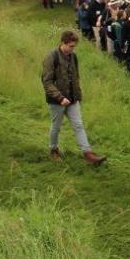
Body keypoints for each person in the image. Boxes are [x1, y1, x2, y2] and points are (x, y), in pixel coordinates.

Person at [41, 30, 107, 166]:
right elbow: (47, 82)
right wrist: (59, 98)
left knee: (78, 125)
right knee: (56, 126)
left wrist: (78, 95)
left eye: (74, 46)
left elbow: (75, 77)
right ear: (63, 43)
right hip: (56, 100)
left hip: (72, 99)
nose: (72, 49)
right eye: (70, 46)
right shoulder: (51, 57)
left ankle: (88, 153)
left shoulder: (73, 56)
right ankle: (53, 150)